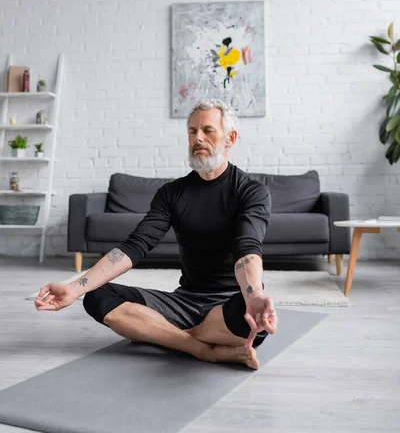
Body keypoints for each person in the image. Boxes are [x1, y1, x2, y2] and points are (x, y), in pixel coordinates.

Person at [35, 98, 278, 370]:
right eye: (192, 131)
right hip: (182, 303)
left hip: (226, 308)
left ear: (230, 138)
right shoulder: (171, 194)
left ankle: (160, 334)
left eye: (208, 130)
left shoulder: (251, 192)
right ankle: (201, 348)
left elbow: (247, 251)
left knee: (251, 320)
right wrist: (73, 288)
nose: (198, 138)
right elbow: (134, 247)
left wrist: (254, 295)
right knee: (96, 297)